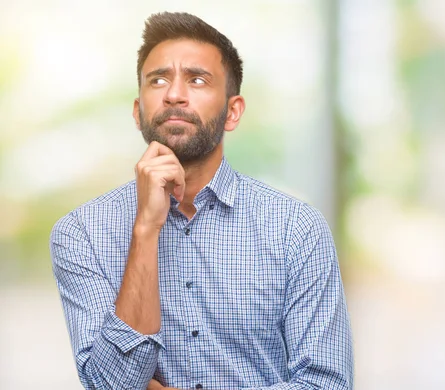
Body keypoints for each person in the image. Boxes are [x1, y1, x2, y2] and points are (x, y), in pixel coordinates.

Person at [50, 11, 353, 390]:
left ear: (233, 111)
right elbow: (111, 385)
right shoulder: (81, 234)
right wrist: (146, 229)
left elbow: (326, 383)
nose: (174, 94)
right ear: (137, 110)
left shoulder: (296, 228)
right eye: (158, 79)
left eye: (197, 79)